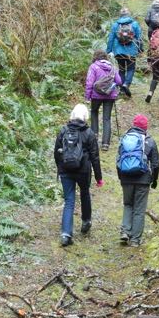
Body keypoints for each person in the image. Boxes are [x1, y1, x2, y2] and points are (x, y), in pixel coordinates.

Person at [54, 104, 104, 247]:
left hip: (65, 171)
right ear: (85, 116)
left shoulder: (63, 130)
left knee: (69, 201)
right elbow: (95, 157)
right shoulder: (89, 133)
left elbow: (56, 152)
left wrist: (60, 168)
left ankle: (66, 234)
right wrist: (98, 178)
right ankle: (86, 221)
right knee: (85, 193)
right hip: (83, 171)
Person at [116, 114, 159, 247]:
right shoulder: (149, 141)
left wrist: (121, 177)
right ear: (145, 127)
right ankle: (135, 240)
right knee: (139, 209)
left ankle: (125, 232)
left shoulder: (125, 139)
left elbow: (118, 159)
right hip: (143, 179)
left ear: (134, 125)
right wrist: (154, 180)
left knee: (128, 205)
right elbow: (156, 163)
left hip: (126, 178)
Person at [85, 50, 122, 151]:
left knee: (94, 112)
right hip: (110, 94)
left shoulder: (93, 67)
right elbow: (119, 81)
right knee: (107, 118)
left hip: (96, 95)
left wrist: (87, 97)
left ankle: (94, 138)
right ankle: (105, 144)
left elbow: (89, 82)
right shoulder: (112, 67)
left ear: (95, 57)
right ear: (105, 57)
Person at [106, 8, 142, 98]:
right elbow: (139, 37)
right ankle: (126, 84)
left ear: (120, 15)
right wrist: (140, 49)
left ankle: (122, 89)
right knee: (131, 69)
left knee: (121, 70)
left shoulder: (115, 25)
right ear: (128, 14)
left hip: (119, 51)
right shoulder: (134, 24)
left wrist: (109, 50)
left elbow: (111, 38)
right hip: (131, 51)